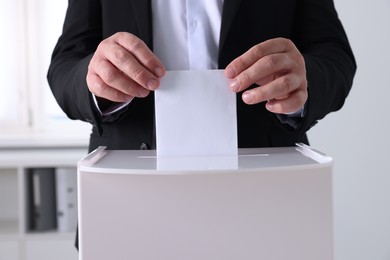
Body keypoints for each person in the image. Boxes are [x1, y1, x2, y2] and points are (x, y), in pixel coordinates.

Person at [48, 0, 355, 248]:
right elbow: (65, 65)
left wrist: (303, 79)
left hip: (266, 204)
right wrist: (96, 79)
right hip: (127, 205)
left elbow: (335, 56)